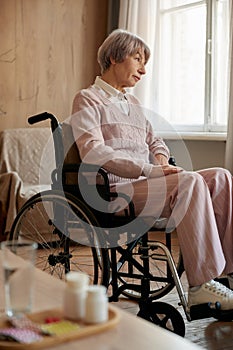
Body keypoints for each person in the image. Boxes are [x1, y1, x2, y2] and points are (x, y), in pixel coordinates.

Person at [70, 29, 233, 310]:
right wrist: (148, 170)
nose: (143, 70)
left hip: (148, 181)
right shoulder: (87, 99)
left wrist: (160, 160)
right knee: (190, 182)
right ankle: (200, 286)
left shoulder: (132, 103)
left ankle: (225, 275)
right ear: (114, 57)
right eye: (137, 59)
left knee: (221, 177)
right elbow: (93, 152)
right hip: (116, 191)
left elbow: (154, 140)